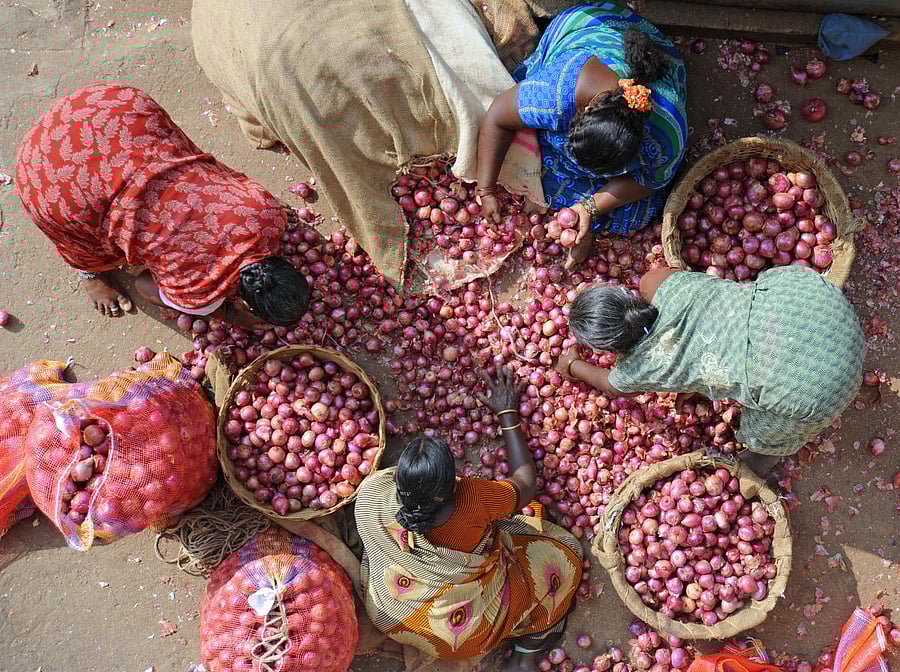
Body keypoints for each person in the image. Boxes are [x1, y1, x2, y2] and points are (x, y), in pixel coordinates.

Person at [15, 84, 310, 328]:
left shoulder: (269, 213)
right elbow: (144, 285)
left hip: (111, 109)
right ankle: (90, 275)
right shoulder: (198, 290)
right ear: (244, 301)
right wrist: (224, 314)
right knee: (83, 232)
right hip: (49, 181)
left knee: (190, 164)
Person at [357, 367, 582, 671]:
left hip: (390, 612)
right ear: (452, 486)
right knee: (563, 559)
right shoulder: (472, 499)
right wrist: (507, 413)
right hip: (461, 636)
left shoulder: (371, 492)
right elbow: (526, 484)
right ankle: (525, 655)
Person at [556, 266, 865, 475]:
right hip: (818, 306)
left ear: (610, 348)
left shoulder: (637, 369)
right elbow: (692, 330)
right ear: (625, 294)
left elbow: (610, 384)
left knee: (763, 437)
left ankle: (758, 462)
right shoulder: (657, 281)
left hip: (823, 386)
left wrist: (572, 365)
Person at [475, 2, 687, 269]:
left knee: (637, 212)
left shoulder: (667, 135)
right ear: (581, 112)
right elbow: (497, 116)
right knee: (516, 152)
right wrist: (486, 190)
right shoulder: (562, 89)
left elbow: (649, 181)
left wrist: (590, 208)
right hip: (584, 29)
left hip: (647, 65)